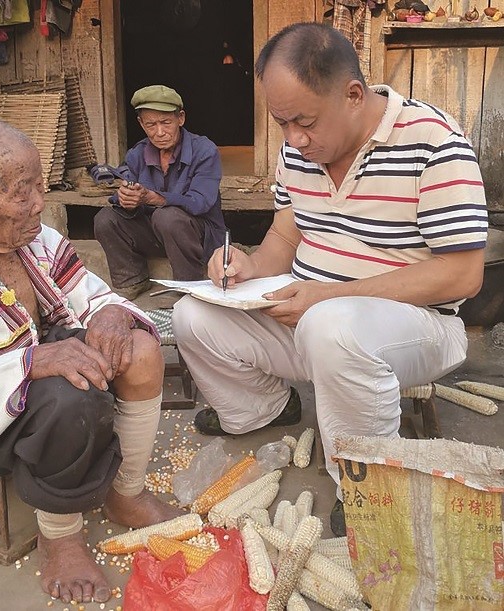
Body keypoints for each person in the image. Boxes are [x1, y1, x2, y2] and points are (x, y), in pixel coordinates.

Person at [172, 22, 488, 535]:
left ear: (353, 94)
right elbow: (285, 238)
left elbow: (464, 274)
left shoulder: (434, 142)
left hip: (416, 331)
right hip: (312, 320)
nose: (294, 139)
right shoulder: (298, 153)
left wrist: (329, 296)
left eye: (305, 122)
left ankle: (365, 490)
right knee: (192, 315)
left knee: (333, 327)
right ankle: (264, 410)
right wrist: (248, 266)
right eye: (282, 124)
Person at [0, 119, 182, 604]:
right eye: (22, 192)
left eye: (39, 184)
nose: (39, 202)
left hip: (39, 367)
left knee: (140, 348)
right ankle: (62, 537)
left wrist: (114, 314)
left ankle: (126, 491)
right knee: (69, 393)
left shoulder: (35, 239)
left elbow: (92, 297)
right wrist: (29, 363)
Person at [94, 84, 227, 300]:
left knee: (169, 216)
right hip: (158, 235)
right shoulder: (137, 154)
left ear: (180, 118)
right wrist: (126, 198)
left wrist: (154, 198)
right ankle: (131, 283)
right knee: (106, 218)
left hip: (200, 238)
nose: (159, 132)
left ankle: (187, 289)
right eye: (151, 125)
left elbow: (200, 203)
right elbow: (125, 190)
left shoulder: (204, 150)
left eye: (166, 122)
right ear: (141, 124)